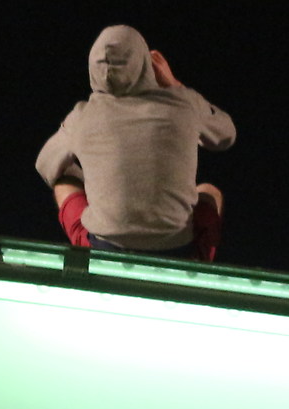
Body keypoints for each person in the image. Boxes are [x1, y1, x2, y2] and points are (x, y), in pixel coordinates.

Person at [35, 25, 235, 260]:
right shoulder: (184, 104)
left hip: (102, 250)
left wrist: (91, 180)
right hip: (178, 251)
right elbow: (226, 135)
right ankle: (197, 264)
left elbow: (45, 164)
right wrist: (175, 84)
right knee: (209, 191)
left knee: (64, 182)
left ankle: (95, 253)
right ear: (145, 64)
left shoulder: (82, 116)